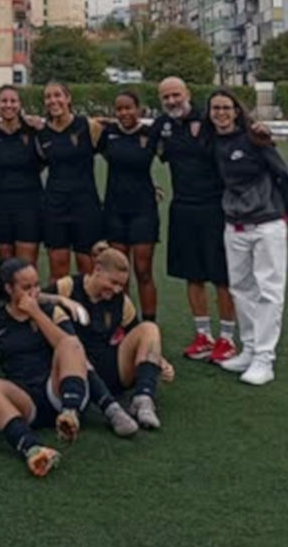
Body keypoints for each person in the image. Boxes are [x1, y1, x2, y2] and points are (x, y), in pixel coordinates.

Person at [207, 89, 288, 386]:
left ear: (236, 111)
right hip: (234, 225)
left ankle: (264, 358)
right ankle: (248, 349)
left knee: (268, 291)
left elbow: (285, 177)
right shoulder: (212, 141)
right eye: (215, 108)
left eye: (226, 107)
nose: (220, 113)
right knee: (241, 289)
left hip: (266, 223)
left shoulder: (255, 138)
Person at [0, 259, 89, 477]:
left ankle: (70, 414)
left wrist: (36, 314)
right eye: (26, 287)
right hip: (24, 398)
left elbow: (70, 348)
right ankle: (32, 448)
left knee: (71, 343)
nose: (34, 292)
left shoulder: (50, 311)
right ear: (9, 288)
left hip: (56, 389)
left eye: (36, 285)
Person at [45, 245, 174, 433]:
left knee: (149, 328)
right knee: (74, 349)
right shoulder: (69, 286)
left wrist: (159, 361)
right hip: (75, 368)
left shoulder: (122, 301)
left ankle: (143, 399)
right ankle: (109, 408)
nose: (116, 289)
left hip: (109, 365)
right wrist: (60, 300)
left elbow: (138, 336)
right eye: (113, 282)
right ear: (97, 270)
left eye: (121, 285)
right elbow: (34, 298)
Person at [154, 77, 238, 363]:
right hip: (182, 208)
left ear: (187, 93)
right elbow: (139, 144)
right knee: (192, 275)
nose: (172, 101)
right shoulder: (162, 125)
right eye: (166, 97)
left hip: (216, 208)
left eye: (176, 95)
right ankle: (203, 335)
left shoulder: (208, 119)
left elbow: (238, 133)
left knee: (221, 276)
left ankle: (227, 338)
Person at [99, 91, 160, 321]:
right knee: (119, 271)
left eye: (128, 108)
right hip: (114, 210)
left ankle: (149, 323)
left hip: (143, 211)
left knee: (143, 271)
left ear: (139, 109)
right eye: (119, 109)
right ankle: (123, 322)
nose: (124, 113)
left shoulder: (150, 134)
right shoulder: (108, 133)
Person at [37, 81, 104, 281]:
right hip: (55, 206)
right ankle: (60, 303)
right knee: (58, 270)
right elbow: (35, 165)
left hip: (85, 205)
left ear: (68, 98)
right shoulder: (41, 134)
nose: (53, 100)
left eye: (57, 95)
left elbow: (118, 156)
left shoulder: (89, 126)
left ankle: (88, 303)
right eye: (48, 97)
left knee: (88, 269)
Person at [0, 85, 44, 264]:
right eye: (4, 101)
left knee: (26, 265)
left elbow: (44, 161)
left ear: (20, 104)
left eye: (13, 101)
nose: (8, 105)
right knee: (7, 265)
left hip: (29, 204)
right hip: (0, 204)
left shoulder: (33, 131)